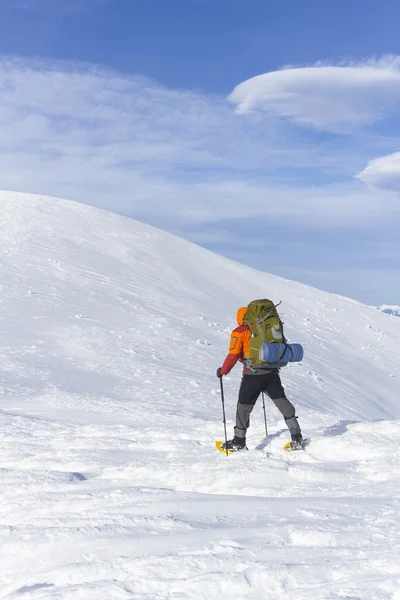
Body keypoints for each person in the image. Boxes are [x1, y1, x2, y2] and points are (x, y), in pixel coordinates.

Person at [216, 306, 303, 451]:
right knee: (282, 403)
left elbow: (233, 355)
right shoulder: (266, 330)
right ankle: (297, 437)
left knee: (243, 407)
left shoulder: (240, 332)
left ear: (241, 318)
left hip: (252, 376)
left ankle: (239, 441)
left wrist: (223, 371)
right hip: (272, 373)